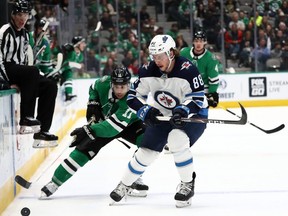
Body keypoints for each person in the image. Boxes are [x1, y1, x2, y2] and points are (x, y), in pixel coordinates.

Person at [109, 35, 208, 208]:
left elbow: (198, 99)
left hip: (193, 114)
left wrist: (183, 110)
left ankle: (187, 185)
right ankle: (125, 184)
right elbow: (133, 97)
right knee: (146, 150)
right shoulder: (148, 70)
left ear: (171, 53)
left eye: (160, 56)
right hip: (162, 114)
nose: (156, 60)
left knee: (177, 141)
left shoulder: (188, 70)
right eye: (153, 56)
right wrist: (145, 109)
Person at [40, 66, 149, 198]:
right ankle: (54, 182)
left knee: (147, 142)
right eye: (116, 86)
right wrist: (93, 101)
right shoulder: (102, 83)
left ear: (129, 84)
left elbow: (112, 128)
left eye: (123, 87)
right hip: (104, 122)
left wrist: (88, 130)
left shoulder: (132, 98)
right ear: (111, 84)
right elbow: (93, 87)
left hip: (130, 124)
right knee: (83, 150)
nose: (120, 90)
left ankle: (134, 177)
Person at [0, 0, 58, 148]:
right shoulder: (5, 31)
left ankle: (42, 132)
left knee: (50, 85)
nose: (22, 18)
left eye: (25, 15)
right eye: (19, 14)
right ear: (13, 15)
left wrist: (27, 80)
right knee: (32, 71)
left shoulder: (26, 35)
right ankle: (26, 117)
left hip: (21, 72)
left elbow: (25, 61)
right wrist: (5, 81)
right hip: (7, 68)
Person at [180, 30, 220, 108]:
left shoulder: (211, 58)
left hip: (202, 91)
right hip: (184, 89)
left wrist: (212, 94)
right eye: (196, 41)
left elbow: (213, 79)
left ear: (205, 42)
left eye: (201, 41)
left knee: (201, 116)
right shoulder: (184, 53)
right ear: (193, 42)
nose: (198, 43)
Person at [53, 36, 86, 102]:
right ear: (78, 44)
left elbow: (69, 64)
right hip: (56, 69)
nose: (84, 45)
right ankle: (67, 95)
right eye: (82, 43)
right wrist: (79, 65)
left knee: (69, 74)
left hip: (63, 71)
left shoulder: (80, 56)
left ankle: (68, 95)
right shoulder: (70, 50)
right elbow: (67, 63)